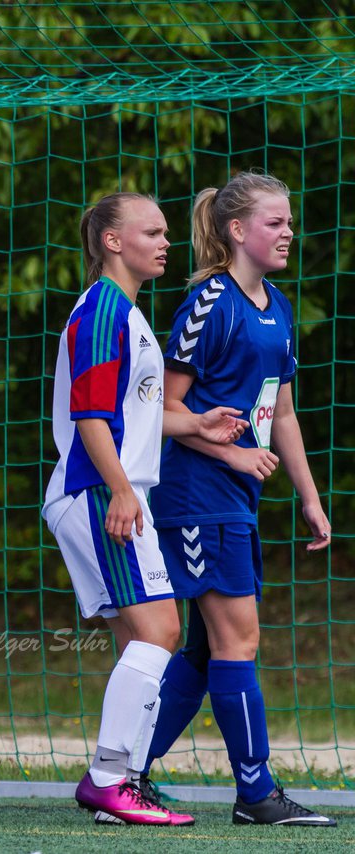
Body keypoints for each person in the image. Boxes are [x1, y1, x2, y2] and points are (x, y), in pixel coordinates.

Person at [44, 192, 247, 826]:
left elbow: (132, 413)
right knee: (162, 632)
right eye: (151, 232)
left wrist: (195, 423)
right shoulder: (103, 311)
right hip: (102, 488)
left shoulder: (125, 314)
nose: (166, 242)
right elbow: (90, 418)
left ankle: (123, 781)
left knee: (144, 635)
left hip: (115, 486)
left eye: (165, 232)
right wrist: (124, 490)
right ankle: (109, 778)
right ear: (112, 242)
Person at [140, 173, 337, 826]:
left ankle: (122, 770)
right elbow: (160, 411)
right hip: (196, 497)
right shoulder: (208, 303)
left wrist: (310, 496)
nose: (288, 232)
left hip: (237, 500)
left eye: (289, 221)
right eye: (275, 222)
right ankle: (255, 791)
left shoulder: (276, 306)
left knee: (203, 649)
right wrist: (230, 454)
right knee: (237, 640)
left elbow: (281, 413)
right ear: (235, 230)